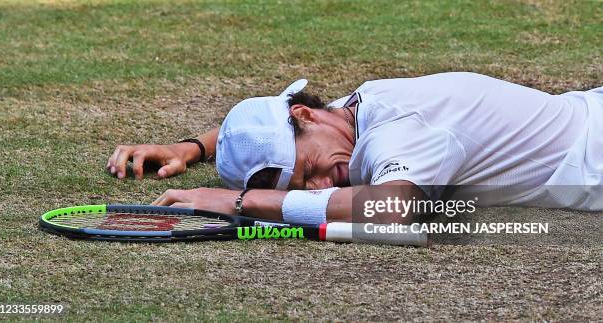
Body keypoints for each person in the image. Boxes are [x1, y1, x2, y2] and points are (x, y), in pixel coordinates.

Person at [107, 72, 603, 225]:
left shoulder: (400, 133)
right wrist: (193, 148)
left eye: (311, 170)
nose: (326, 184)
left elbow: (395, 208)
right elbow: (273, 123)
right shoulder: (345, 112)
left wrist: (243, 202)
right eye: (304, 184)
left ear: (306, 117)